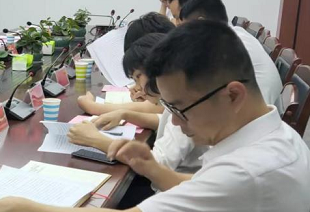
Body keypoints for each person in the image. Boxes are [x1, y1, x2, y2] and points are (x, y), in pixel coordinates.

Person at [0, 21, 310, 212]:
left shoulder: (248, 172)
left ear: (233, 94)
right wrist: (153, 169)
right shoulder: (279, 138)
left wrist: (20, 208)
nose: (175, 123)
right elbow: (205, 188)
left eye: (180, 108)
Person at [69, 33, 207, 177]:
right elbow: (165, 121)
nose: (137, 87)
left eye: (138, 77)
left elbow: (159, 163)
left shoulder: (184, 107)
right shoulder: (180, 98)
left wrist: (95, 139)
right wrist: (125, 114)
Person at [178, 0, 283, 111]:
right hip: (259, 104)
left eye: (187, 29)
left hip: (256, 111)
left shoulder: (227, 45)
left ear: (201, 23)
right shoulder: (234, 33)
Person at [77, 12, 174, 116]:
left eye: (138, 76)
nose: (139, 87)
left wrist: (92, 106)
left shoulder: (175, 94)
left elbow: (155, 108)